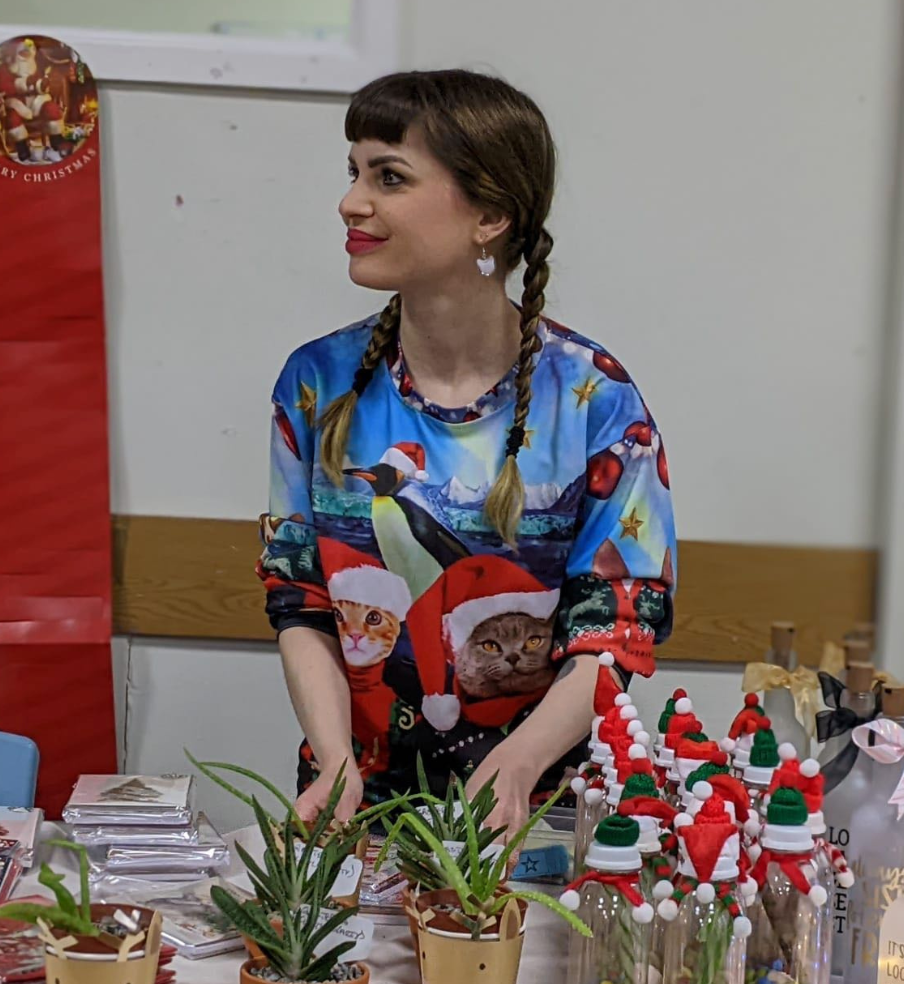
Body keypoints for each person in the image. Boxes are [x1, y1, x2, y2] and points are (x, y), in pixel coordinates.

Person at [260, 70, 676, 836]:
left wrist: (519, 763)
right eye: (354, 173)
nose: (351, 202)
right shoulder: (316, 384)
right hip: (357, 809)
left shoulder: (597, 398)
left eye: (389, 177)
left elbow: (615, 631)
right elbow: (302, 602)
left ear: (489, 215)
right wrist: (335, 757)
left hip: (541, 817)